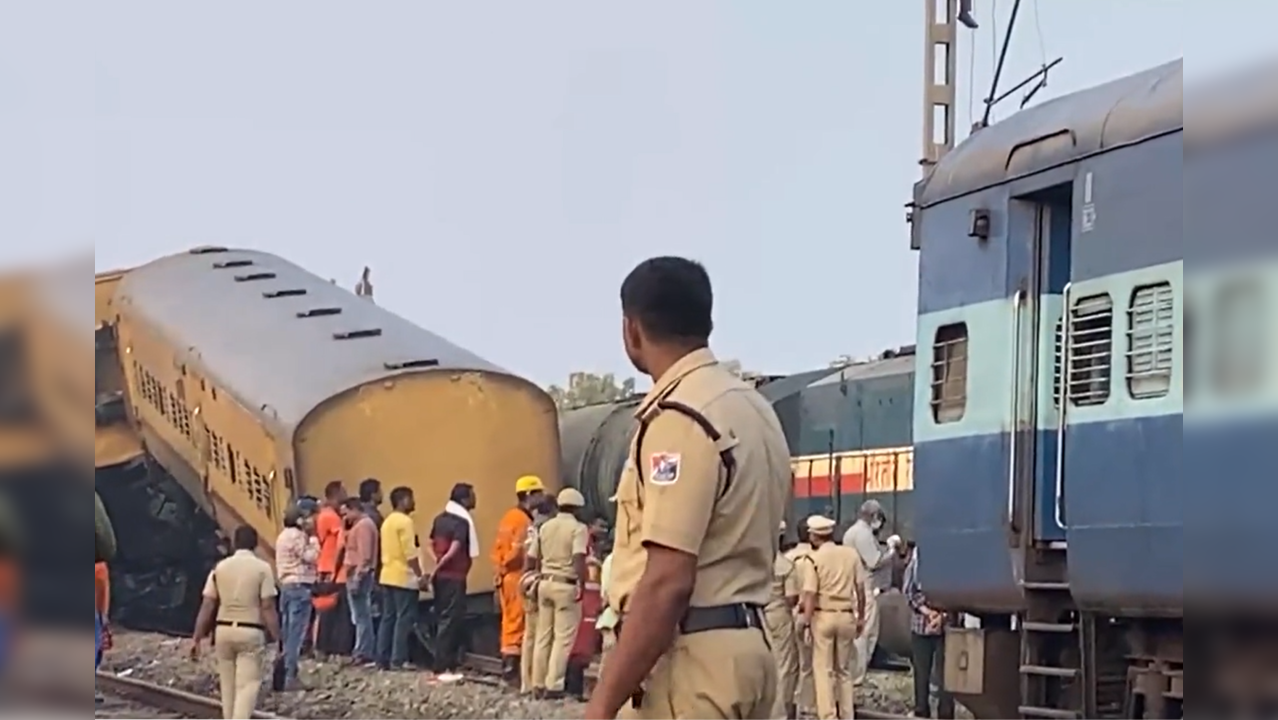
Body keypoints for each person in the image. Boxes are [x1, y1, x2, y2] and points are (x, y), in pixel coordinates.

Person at [584, 256, 790, 720]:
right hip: (750, 650)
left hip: (691, 662)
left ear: (630, 330)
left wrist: (600, 705)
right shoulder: (754, 409)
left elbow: (667, 583)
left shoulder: (680, 416)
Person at [191, 526, 280, 719]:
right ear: (255, 544)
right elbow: (267, 607)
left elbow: (207, 605)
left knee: (228, 687)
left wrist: (197, 637)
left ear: (234, 542)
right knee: (247, 686)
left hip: (223, 631)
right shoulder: (262, 568)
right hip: (250, 631)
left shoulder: (220, 568)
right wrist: (277, 636)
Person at [800, 516, 867, 720]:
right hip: (846, 615)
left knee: (823, 670)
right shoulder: (850, 554)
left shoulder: (814, 559)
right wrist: (861, 617)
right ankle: (847, 715)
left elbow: (811, 593)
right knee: (844, 671)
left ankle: (828, 716)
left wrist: (806, 621)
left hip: (823, 617)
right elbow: (861, 589)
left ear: (814, 536)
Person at [527, 487, 589, 699]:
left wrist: (536, 575)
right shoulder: (578, 529)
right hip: (566, 585)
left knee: (543, 636)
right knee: (562, 639)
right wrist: (583, 582)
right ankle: (554, 686)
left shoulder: (545, 527)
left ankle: (537, 683)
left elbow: (531, 556)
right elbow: (579, 558)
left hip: (545, 583)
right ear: (576, 508)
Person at [491, 475, 546, 683]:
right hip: (516, 575)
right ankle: (511, 669)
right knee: (516, 623)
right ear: (529, 495)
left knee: (509, 621)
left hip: (506, 577)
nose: (541, 497)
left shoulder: (509, 517)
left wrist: (499, 572)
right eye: (538, 493)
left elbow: (497, 550)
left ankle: (509, 666)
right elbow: (517, 551)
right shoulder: (522, 520)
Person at [841, 500, 898, 684]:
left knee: (862, 630)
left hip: (854, 585)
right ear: (874, 516)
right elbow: (874, 561)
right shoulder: (863, 534)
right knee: (866, 630)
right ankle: (857, 674)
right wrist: (891, 550)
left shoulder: (852, 532)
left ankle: (854, 671)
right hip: (863, 587)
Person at [428, 482, 479, 681]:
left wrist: (435, 563)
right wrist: (441, 563)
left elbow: (430, 543)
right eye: (472, 496)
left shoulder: (439, 519)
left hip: (441, 578)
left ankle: (442, 662)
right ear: (464, 499)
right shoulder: (461, 523)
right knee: (451, 620)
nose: (475, 499)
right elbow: (456, 547)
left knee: (443, 617)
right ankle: (443, 665)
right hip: (455, 576)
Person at [376, 486, 425, 671]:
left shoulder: (387, 521)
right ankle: (399, 659)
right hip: (403, 577)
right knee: (404, 618)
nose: (413, 502)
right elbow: (409, 552)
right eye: (411, 498)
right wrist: (420, 575)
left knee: (388, 617)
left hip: (387, 575)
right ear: (403, 500)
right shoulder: (405, 522)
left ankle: (382, 658)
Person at [903, 545, 954, 718]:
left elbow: (909, 592)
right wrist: (939, 615)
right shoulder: (950, 562)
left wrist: (929, 613)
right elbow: (957, 594)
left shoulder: (917, 561)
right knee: (940, 674)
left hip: (925, 624)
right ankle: (933, 711)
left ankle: (924, 711)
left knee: (930, 673)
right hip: (941, 624)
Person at [275, 504, 319, 690]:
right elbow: (311, 557)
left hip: (286, 586)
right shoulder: (298, 536)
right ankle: (290, 676)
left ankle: (281, 675)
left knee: (287, 633)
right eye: (308, 517)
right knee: (296, 634)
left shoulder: (282, 536)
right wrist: (315, 539)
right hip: (299, 586)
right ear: (299, 520)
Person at [520, 494, 558, 694]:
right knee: (543, 636)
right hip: (540, 582)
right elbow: (533, 557)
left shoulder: (531, 527)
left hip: (527, 583)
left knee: (530, 635)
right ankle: (539, 681)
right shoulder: (547, 529)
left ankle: (526, 682)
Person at [767, 523, 801, 719]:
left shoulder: (757, 562)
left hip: (756, 616)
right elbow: (790, 598)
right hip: (779, 616)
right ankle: (779, 713)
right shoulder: (785, 566)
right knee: (784, 667)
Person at [314, 481, 352, 657]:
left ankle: (324, 647)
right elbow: (340, 545)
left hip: (326, 567)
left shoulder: (323, 515)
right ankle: (336, 647)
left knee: (327, 611)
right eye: (343, 491)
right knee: (338, 612)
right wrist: (336, 568)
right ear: (335, 494)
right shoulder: (332, 517)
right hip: (334, 569)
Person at [341, 498, 379, 665]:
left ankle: (363, 651)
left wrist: (357, 577)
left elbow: (365, 556)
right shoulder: (359, 526)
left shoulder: (363, 526)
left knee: (362, 615)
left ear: (355, 509)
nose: (345, 517)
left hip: (359, 576)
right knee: (359, 615)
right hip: (354, 574)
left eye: (346, 513)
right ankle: (361, 650)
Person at [786, 522, 817, 715]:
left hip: (788, 615)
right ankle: (807, 706)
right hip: (808, 615)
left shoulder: (788, 558)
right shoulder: (815, 559)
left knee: (789, 663)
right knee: (809, 665)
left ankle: (789, 704)